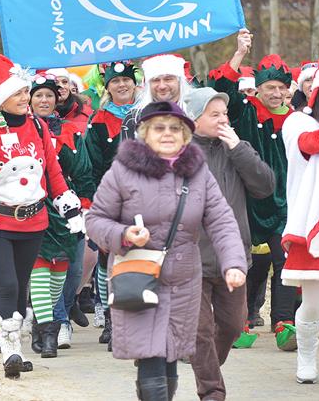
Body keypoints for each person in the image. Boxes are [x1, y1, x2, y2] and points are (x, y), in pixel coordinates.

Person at [87, 101, 246, 401]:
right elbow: (95, 220)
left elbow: (221, 220)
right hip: (139, 275)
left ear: (186, 135)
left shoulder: (198, 173)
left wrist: (233, 263)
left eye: (175, 128)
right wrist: (124, 234)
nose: (168, 133)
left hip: (184, 280)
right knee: (151, 354)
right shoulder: (122, 172)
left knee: (170, 352)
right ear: (144, 133)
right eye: (159, 128)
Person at [0, 53, 82, 379]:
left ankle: (15, 344)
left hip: (34, 221)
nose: (24, 98)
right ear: (2, 98)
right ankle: (10, 351)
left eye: (24, 92)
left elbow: (52, 171)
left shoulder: (39, 127)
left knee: (20, 287)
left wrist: (68, 205)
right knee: (6, 284)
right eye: (17, 93)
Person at [182, 87, 274, 400]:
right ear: (195, 119)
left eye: (224, 113)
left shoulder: (237, 148)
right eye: (215, 114)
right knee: (200, 330)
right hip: (190, 258)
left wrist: (238, 149)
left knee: (233, 326)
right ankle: (212, 391)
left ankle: (204, 364)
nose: (223, 120)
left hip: (232, 257)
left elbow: (265, 186)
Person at [208, 29, 298, 349]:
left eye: (281, 88)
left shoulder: (296, 120)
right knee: (245, 263)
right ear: (258, 87)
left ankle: (284, 322)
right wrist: (239, 54)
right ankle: (240, 322)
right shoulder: (244, 111)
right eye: (270, 87)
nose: (276, 93)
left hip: (283, 203)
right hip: (244, 201)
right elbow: (221, 89)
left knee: (285, 260)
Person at [279, 32, 319, 384]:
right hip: (318, 222)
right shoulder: (299, 120)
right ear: (316, 90)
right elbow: (309, 145)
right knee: (314, 301)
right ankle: (306, 358)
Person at [28, 73, 96, 358]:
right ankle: (51, 329)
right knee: (40, 271)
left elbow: (83, 172)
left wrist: (83, 207)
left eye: (49, 96)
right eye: (38, 96)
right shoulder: (21, 131)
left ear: (57, 100)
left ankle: (51, 317)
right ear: (29, 100)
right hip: (32, 207)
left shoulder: (70, 131)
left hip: (66, 208)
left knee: (73, 271)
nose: (44, 100)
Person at [84, 60, 139, 347]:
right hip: (111, 198)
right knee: (108, 259)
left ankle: (134, 317)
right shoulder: (98, 120)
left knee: (139, 257)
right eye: (115, 82)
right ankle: (110, 318)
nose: (121, 85)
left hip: (144, 197)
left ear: (134, 84)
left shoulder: (146, 114)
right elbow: (93, 165)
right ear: (107, 88)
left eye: (126, 80)